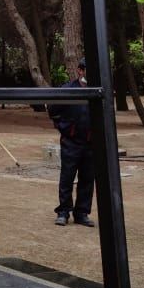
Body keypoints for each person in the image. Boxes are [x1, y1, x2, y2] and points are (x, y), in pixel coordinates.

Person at [48, 58, 95, 227]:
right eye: (88, 69)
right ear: (80, 71)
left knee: (87, 179)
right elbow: (53, 110)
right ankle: (63, 212)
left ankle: (82, 213)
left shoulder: (98, 90)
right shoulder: (68, 90)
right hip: (71, 142)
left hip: (91, 143)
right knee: (67, 177)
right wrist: (65, 128)